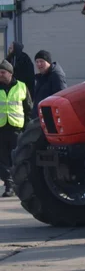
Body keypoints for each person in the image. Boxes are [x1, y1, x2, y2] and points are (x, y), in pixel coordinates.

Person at [0, 60, 33, 197]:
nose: (0, 75)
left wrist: (27, 128)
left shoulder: (21, 87)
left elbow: (29, 109)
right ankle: (9, 185)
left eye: (3, 72)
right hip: (1, 128)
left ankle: (19, 184)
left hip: (16, 129)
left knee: (18, 159)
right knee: (2, 160)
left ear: (10, 73)